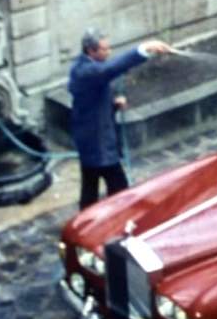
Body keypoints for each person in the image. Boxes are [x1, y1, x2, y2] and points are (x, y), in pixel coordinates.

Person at [68, 28, 171, 209]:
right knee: (119, 188)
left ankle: (86, 220)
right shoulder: (87, 71)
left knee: (90, 186)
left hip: (89, 139)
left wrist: (113, 104)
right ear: (90, 51)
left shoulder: (84, 66)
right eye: (104, 49)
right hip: (98, 142)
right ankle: (117, 218)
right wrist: (144, 48)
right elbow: (111, 69)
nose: (109, 53)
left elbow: (93, 98)